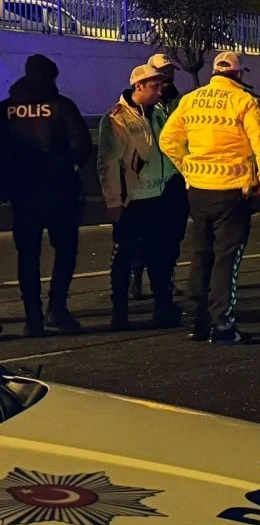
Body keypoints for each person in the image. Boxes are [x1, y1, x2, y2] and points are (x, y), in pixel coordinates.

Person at [159, 51, 260, 344]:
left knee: (202, 254)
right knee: (227, 258)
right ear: (238, 74)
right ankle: (223, 325)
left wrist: (187, 167)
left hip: (199, 189)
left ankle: (197, 322)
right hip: (232, 190)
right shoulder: (245, 101)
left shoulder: (190, 100)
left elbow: (167, 141)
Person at [0, 54, 92, 336]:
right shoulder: (62, 106)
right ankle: (57, 309)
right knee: (65, 251)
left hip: (23, 193)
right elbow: (82, 146)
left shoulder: (6, 110)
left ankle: (33, 318)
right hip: (59, 191)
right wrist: (64, 165)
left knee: (27, 256)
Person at [97, 63, 183, 331]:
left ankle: (163, 308)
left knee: (160, 256)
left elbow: (166, 151)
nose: (161, 91)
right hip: (131, 200)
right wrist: (113, 202)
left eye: (162, 85)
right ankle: (120, 313)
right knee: (124, 258)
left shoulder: (157, 113)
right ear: (138, 87)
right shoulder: (117, 119)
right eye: (155, 86)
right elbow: (107, 163)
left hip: (159, 196)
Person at [129, 52, 184, 300]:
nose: (168, 78)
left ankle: (164, 280)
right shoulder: (138, 106)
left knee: (173, 234)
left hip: (174, 175)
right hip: (148, 179)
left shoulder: (178, 101)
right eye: (162, 73)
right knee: (143, 236)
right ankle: (136, 281)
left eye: (170, 72)